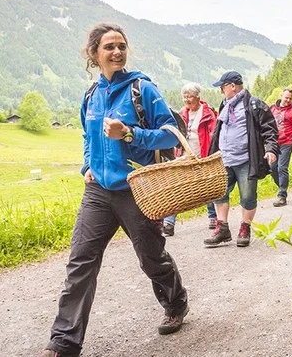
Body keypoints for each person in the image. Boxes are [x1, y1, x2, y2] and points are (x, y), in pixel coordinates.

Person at [41, 23, 189, 357]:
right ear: (94, 54)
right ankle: (64, 341)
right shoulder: (91, 95)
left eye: (121, 45)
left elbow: (170, 133)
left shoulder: (142, 89)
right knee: (81, 262)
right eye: (109, 47)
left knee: (152, 259)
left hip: (136, 188)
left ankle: (176, 302)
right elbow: (86, 136)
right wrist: (87, 166)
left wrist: (130, 135)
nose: (117, 52)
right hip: (98, 192)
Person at [204, 71, 278, 248]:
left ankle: (245, 228)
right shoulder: (225, 105)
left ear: (232, 86)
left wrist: (271, 149)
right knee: (219, 193)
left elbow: (270, 129)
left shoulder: (254, 104)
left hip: (246, 159)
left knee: (248, 196)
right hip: (225, 158)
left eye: (223, 87)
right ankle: (222, 229)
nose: (221, 91)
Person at [161, 82, 218, 237]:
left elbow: (213, 134)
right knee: (177, 188)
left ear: (198, 97)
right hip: (184, 156)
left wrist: (212, 154)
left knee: (207, 187)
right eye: (184, 97)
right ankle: (169, 223)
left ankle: (213, 217)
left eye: (190, 96)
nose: (187, 100)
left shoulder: (207, 113)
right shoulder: (182, 113)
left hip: (202, 155)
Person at [270, 87, 292, 207]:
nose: (288, 100)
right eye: (286, 97)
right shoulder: (272, 108)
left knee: (282, 168)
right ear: (281, 96)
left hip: (287, 142)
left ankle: (282, 195)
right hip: (273, 143)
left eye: (290, 98)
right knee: (272, 168)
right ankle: (282, 188)